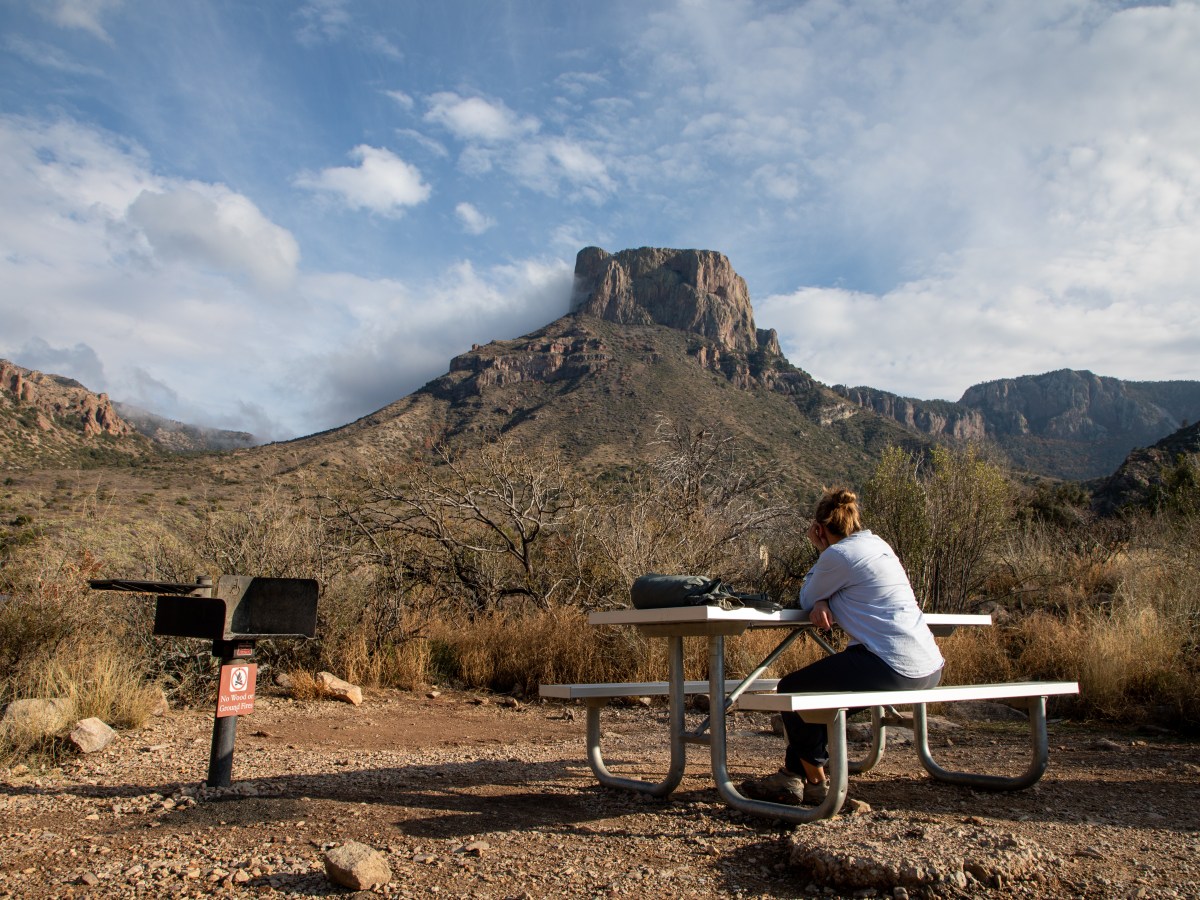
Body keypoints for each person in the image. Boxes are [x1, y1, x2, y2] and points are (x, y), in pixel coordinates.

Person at [741, 486, 944, 806]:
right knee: (819, 698)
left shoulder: (837, 555)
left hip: (891, 664)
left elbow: (806, 596)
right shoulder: (877, 544)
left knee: (793, 692)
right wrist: (825, 597)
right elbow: (837, 590)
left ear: (819, 529)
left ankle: (818, 787)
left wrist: (821, 573)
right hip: (929, 666)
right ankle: (790, 776)